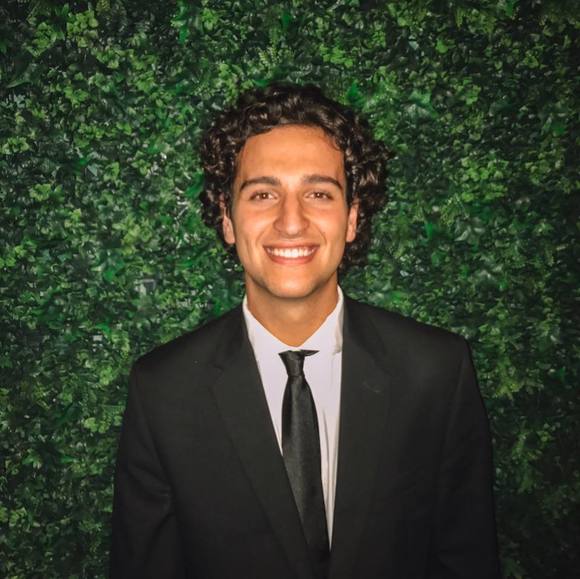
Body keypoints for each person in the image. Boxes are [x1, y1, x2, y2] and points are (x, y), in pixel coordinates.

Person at [110, 83, 501, 579]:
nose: (291, 221)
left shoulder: (436, 373)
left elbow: (467, 559)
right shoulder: (163, 391)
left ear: (352, 218)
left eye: (318, 193)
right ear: (228, 219)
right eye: (263, 194)